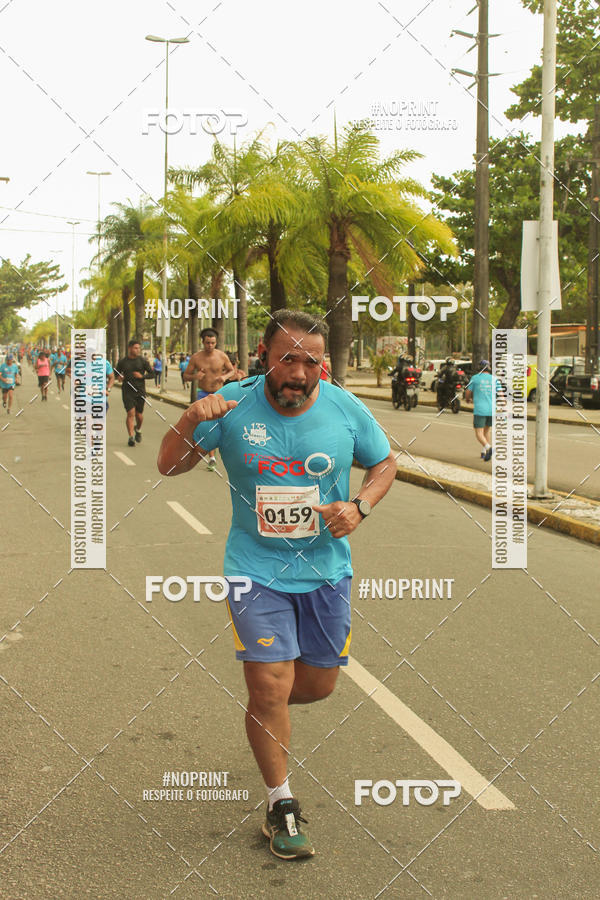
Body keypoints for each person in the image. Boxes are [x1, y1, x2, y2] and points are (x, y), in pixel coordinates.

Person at [158, 309, 396, 860]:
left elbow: (384, 464)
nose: (299, 371)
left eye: (311, 361)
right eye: (288, 358)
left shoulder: (344, 408)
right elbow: (169, 468)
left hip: (326, 572)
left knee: (315, 687)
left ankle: (268, 709)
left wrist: (360, 506)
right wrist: (192, 418)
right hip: (254, 569)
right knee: (268, 688)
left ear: (324, 365)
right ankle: (280, 800)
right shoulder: (233, 405)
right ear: (264, 357)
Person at [183, 328, 235, 470]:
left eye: (212, 343)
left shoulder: (222, 356)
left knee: (218, 425)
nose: (210, 346)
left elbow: (232, 370)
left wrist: (224, 377)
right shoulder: (196, 357)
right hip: (203, 394)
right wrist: (195, 377)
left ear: (216, 342)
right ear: (203, 342)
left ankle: (214, 453)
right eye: (207, 343)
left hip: (219, 394)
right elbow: (186, 375)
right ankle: (211, 457)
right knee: (206, 424)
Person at [115, 339, 155, 447]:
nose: (137, 350)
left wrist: (142, 376)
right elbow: (116, 373)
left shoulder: (142, 361)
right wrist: (119, 377)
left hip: (140, 391)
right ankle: (131, 437)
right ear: (130, 348)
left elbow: (152, 374)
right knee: (130, 413)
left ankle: (138, 429)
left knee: (139, 415)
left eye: (139, 348)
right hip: (127, 391)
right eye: (135, 348)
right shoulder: (123, 362)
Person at [465, 359, 501, 461]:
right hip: (492, 410)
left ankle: (489, 448)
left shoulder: (475, 378)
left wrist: (468, 399)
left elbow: (468, 391)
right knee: (486, 430)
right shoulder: (494, 379)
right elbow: (501, 395)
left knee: (479, 433)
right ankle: (484, 452)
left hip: (480, 410)